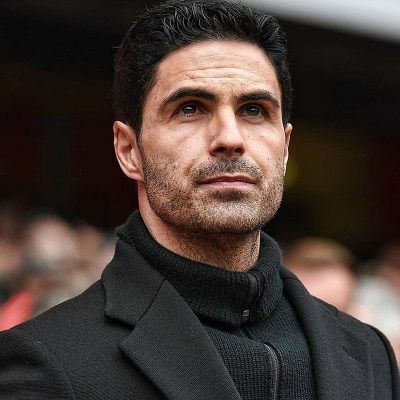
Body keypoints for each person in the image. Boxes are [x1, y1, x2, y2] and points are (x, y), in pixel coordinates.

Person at [0, 1, 398, 399]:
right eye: (190, 108)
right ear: (129, 150)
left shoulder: (368, 353)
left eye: (254, 110)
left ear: (286, 146)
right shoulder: (46, 364)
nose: (230, 138)